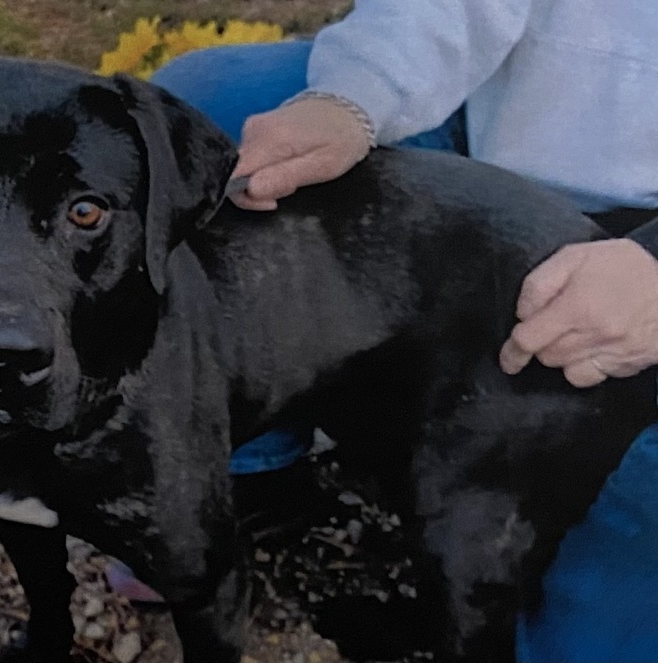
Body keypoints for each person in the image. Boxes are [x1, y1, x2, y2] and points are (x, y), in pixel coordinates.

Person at [147, 2, 658, 660]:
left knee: (614, 565)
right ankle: (254, 470)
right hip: (504, 129)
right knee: (211, 116)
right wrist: (352, 98)